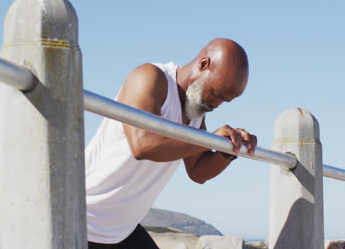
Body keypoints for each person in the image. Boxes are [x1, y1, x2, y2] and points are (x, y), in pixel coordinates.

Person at [85, 38, 257, 248]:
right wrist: (209, 140)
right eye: (215, 94)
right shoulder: (150, 77)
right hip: (84, 217)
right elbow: (142, 145)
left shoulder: (196, 111)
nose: (216, 104)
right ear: (203, 65)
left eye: (224, 101)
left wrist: (229, 149)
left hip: (121, 230)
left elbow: (197, 171)